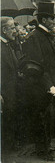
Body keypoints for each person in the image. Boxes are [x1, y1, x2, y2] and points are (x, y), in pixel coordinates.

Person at [21, 2, 55, 161]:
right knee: (41, 117)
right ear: (43, 20)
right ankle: (42, 151)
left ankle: (47, 145)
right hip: (39, 85)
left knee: (46, 116)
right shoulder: (34, 37)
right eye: (51, 19)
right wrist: (48, 84)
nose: (53, 22)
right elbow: (37, 65)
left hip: (47, 83)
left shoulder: (43, 36)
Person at [1, 16, 19, 152]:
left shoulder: (8, 45)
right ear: (4, 29)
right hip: (4, 93)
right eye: (12, 28)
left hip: (11, 92)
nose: (16, 31)